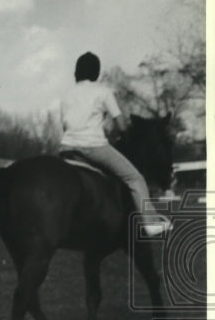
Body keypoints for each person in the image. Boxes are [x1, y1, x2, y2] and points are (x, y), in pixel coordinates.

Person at [59, 52, 171, 236]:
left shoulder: (66, 96)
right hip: (93, 147)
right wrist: (124, 134)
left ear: (76, 72)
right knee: (135, 178)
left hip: (66, 148)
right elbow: (121, 125)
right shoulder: (103, 91)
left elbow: (65, 125)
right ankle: (150, 223)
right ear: (96, 72)